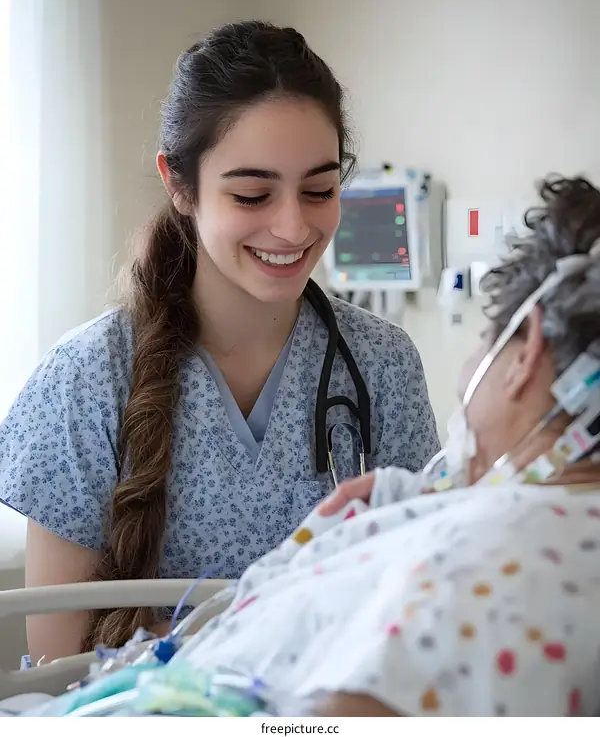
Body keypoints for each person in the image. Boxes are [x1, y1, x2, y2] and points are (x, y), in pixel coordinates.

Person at [0, 21, 439, 663]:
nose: (292, 227)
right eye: (252, 194)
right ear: (180, 186)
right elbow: (59, 672)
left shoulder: (382, 367)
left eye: (319, 190)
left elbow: (414, 608)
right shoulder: (88, 380)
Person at [165, 175, 600, 717]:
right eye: (253, 194)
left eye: (487, 338)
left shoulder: (474, 559)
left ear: (526, 352)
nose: (292, 225)